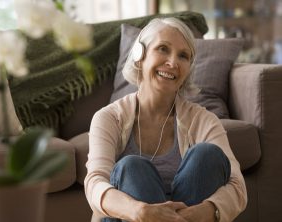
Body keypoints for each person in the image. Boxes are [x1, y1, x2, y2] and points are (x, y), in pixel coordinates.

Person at [85, 17, 247, 222]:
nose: (172, 63)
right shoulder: (108, 118)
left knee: (207, 154)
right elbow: (95, 183)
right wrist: (139, 211)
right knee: (132, 167)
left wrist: (206, 211)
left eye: (183, 56)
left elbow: (238, 187)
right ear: (139, 55)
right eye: (163, 48)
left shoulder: (204, 120)